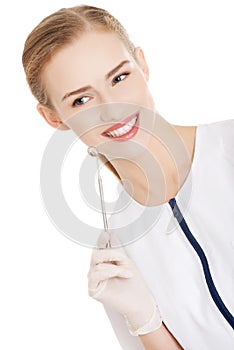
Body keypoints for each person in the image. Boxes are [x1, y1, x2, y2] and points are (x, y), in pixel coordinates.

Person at [22, 5, 234, 349]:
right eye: (81, 100)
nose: (112, 108)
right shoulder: (117, 256)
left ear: (142, 64)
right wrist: (145, 322)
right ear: (53, 118)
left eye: (119, 78)